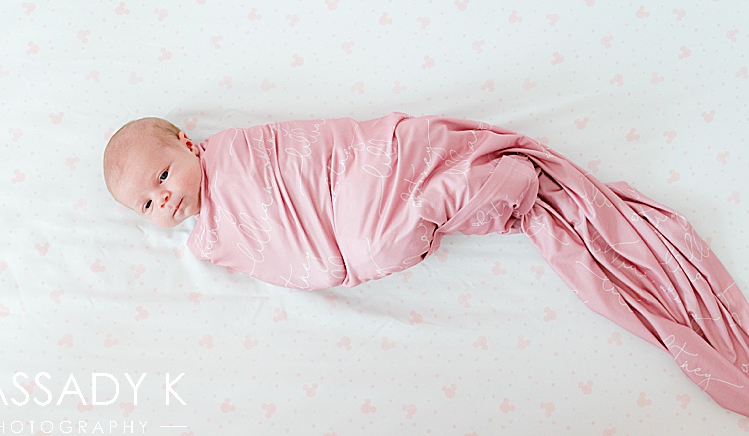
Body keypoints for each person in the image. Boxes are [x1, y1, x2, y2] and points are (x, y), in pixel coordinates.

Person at [103, 112, 749, 416]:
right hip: (341, 241)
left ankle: (476, 184)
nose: (164, 194)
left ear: (190, 143)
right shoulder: (210, 242)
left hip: (356, 180)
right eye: (148, 202)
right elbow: (272, 252)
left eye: (162, 172)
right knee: (378, 242)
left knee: (386, 227)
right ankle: (461, 195)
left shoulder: (243, 149)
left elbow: (316, 154)